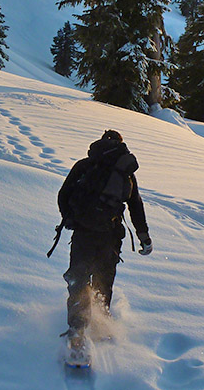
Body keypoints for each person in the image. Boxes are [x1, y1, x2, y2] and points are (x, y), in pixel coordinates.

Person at [57, 129, 151, 342]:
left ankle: (77, 329)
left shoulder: (85, 165)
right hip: (111, 235)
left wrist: (70, 219)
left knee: (78, 276)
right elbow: (135, 205)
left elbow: (64, 194)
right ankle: (101, 325)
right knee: (104, 278)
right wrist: (143, 235)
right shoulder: (125, 172)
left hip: (84, 233)